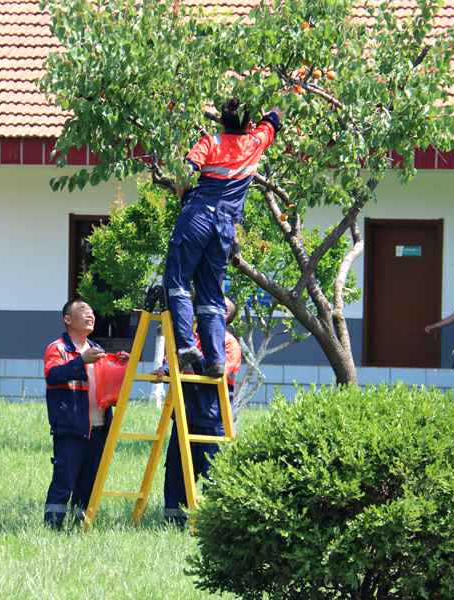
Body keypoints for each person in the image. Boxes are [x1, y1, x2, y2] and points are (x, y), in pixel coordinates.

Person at [165, 99, 282, 378]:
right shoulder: (255, 143)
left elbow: (183, 176)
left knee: (177, 281)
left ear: (222, 119)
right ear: (249, 123)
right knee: (211, 292)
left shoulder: (210, 141)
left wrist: (183, 197)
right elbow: (274, 117)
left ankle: (186, 347)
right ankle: (216, 359)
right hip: (225, 227)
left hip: (198, 215)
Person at [42, 299, 126, 529]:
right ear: (67, 319)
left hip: (98, 428)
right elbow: (53, 375)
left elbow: (107, 387)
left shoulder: (97, 350)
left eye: (91, 311)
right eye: (83, 310)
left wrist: (119, 365)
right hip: (71, 427)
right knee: (64, 481)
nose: (90, 315)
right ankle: (52, 527)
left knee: (89, 483)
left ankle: (79, 527)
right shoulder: (58, 348)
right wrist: (81, 360)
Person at [162, 298, 242, 527]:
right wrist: (166, 369)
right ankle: (173, 524)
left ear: (224, 317)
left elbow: (216, 371)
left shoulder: (228, 343)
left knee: (212, 473)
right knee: (177, 471)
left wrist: (193, 360)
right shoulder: (190, 339)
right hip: (185, 415)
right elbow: (171, 362)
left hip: (213, 419)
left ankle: (211, 524)